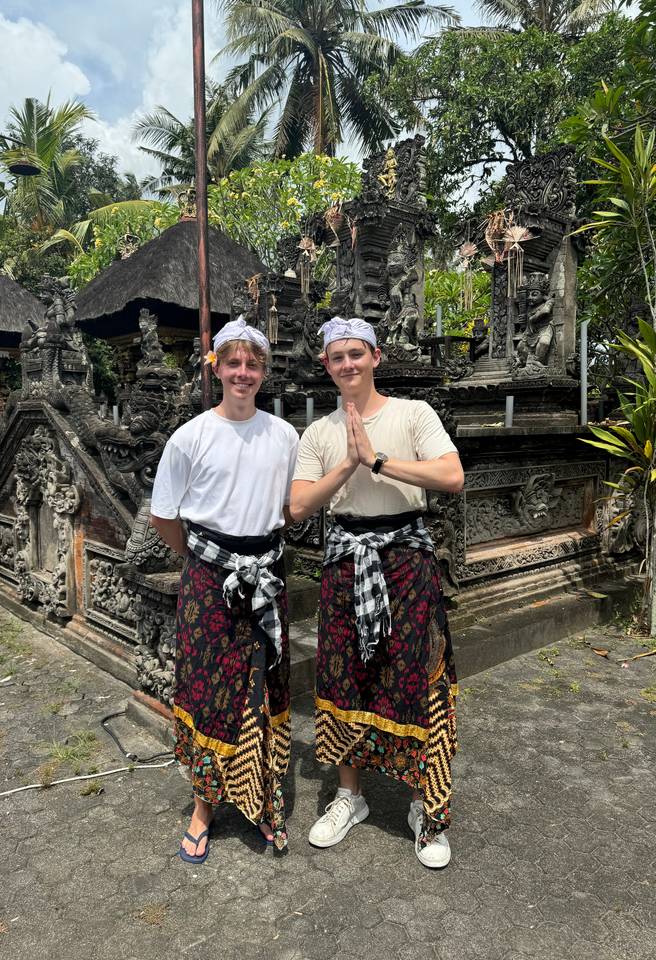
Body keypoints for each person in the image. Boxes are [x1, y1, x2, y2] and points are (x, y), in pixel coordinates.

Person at [290, 316, 463, 868]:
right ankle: (350, 796)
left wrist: (378, 461)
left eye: (356, 353)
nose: (348, 364)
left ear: (376, 357)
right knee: (344, 676)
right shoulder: (318, 433)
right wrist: (349, 462)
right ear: (326, 365)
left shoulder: (413, 414)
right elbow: (299, 507)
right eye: (337, 356)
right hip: (346, 562)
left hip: (407, 560)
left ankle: (422, 803)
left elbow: (452, 476)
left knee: (416, 676)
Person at [150, 317, 299, 863]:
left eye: (252, 364)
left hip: (267, 573)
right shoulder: (190, 436)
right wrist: (202, 560)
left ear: (264, 372)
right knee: (208, 689)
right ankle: (203, 807)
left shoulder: (284, 436)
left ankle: (262, 800)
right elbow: (164, 516)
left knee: (265, 686)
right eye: (233, 363)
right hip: (209, 579)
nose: (243, 373)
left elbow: (290, 507)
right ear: (216, 368)